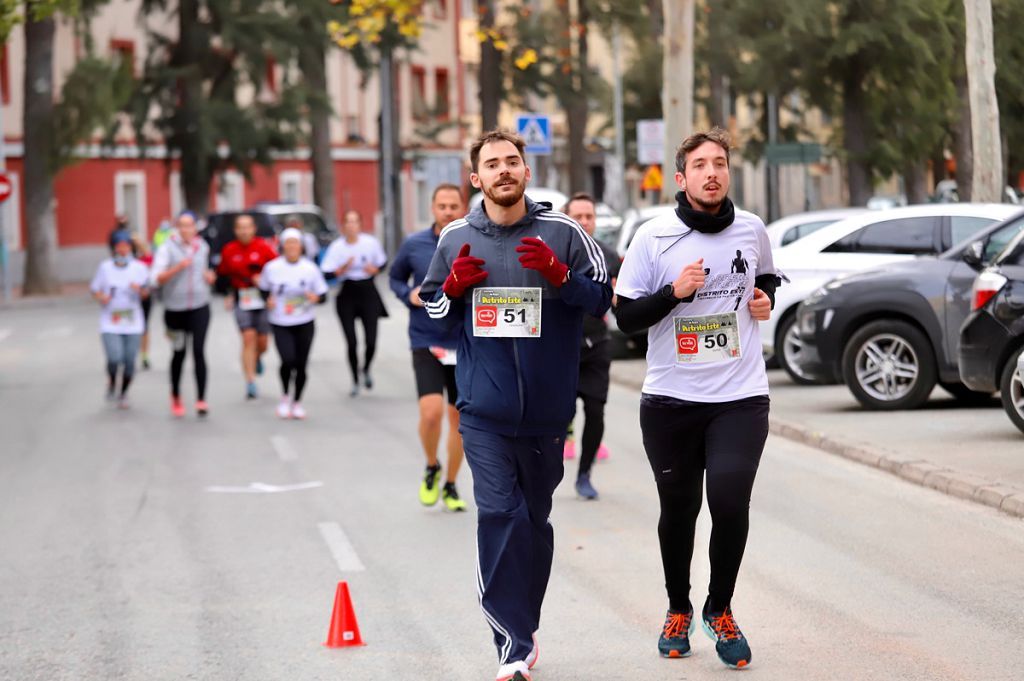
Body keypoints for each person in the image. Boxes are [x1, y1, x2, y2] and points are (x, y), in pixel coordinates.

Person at [419, 130, 612, 681]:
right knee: (499, 512)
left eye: (513, 161)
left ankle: (523, 628)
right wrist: (452, 288)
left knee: (534, 521)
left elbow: (603, 300)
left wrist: (561, 277)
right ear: (475, 179)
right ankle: (509, 642)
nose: (504, 170)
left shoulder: (565, 232)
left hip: (549, 413)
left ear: (527, 171)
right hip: (482, 409)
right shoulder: (456, 237)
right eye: (492, 164)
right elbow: (431, 314)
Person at [612, 128, 781, 669]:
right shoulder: (653, 238)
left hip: (740, 396)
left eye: (721, 163)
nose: (713, 173)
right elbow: (625, 316)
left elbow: (768, 277)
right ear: (681, 179)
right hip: (670, 401)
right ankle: (678, 607)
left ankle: (720, 607)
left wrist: (763, 299)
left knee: (730, 503)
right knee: (679, 510)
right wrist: (673, 294)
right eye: (701, 165)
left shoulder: (752, 229)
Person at [389, 183, 468, 512]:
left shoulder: (471, 240)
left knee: (459, 420)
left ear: (462, 208)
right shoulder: (415, 244)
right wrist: (405, 294)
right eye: (442, 205)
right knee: (431, 412)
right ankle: (431, 465)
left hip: (463, 341)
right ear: (433, 208)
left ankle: (450, 484)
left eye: (453, 206)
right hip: (426, 338)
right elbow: (395, 277)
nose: (448, 211)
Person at [560, 192, 622, 500]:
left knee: (596, 412)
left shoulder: (608, 256)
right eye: (578, 216)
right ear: (566, 218)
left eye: (589, 216)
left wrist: (616, 297)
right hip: (562, 347)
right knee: (561, 412)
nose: (585, 222)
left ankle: (584, 474)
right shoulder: (556, 252)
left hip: (598, 343)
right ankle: (546, 473)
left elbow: (623, 297)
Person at [151, 211, 217, 418]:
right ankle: (176, 394)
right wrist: (177, 268)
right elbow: (155, 279)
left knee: (198, 351)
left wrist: (209, 277)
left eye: (190, 225)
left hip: (200, 306)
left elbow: (207, 271)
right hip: (174, 309)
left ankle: (201, 399)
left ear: (195, 228)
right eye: (182, 225)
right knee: (179, 353)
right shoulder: (166, 248)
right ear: (177, 228)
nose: (186, 229)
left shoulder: (202, 247)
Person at [260, 228, 329, 420]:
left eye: (295, 243)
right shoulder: (272, 267)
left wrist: (316, 297)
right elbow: (263, 290)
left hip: (305, 320)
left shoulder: (310, 268)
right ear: (282, 246)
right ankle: (284, 397)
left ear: (301, 246)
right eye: (288, 243)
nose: (292, 247)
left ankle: (297, 401)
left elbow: (323, 295)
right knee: (287, 360)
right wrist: (268, 300)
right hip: (280, 320)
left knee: (301, 364)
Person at [320, 210, 388, 397]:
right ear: (343, 226)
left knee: (371, 341)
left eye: (355, 222)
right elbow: (326, 273)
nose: (351, 226)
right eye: (347, 222)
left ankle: (365, 368)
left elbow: (382, 263)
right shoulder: (337, 247)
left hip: (368, 291)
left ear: (359, 224)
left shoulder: (370, 243)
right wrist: (340, 270)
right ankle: (355, 380)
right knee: (351, 341)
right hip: (347, 292)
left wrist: (375, 269)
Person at [217, 214, 278, 399]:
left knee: (262, 342)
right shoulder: (229, 250)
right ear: (235, 230)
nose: (244, 231)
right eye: (240, 227)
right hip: (241, 298)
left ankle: (258, 357)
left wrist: (268, 288)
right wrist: (227, 294)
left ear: (254, 229)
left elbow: (278, 272)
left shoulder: (263, 248)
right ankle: (250, 381)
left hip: (261, 299)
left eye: (247, 227)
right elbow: (222, 277)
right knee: (248, 338)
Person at [90, 230, 150, 408]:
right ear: (114, 248)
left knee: (130, 361)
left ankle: (123, 392)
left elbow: (147, 294)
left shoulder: (139, 268)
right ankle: (111, 380)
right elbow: (95, 289)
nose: (123, 250)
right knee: (115, 358)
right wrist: (102, 297)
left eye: (126, 246)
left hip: (133, 323)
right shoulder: (105, 267)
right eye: (120, 246)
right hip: (110, 322)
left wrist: (140, 290)